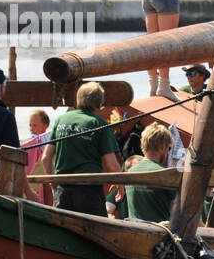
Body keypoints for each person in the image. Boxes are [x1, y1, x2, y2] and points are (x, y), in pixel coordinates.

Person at [35, 81, 121, 216]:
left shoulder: (61, 120)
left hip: (63, 190)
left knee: (63, 232)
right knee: (95, 232)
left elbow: (46, 158)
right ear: (100, 102)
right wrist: (120, 185)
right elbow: (111, 164)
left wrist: (54, 184)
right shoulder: (100, 124)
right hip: (89, 192)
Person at [124, 124, 175, 224]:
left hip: (133, 232)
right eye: (169, 148)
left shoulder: (129, 172)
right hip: (158, 235)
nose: (168, 153)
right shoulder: (166, 174)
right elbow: (180, 211)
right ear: (163, 146)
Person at [24, 109, 53, 204]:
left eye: (34, 125)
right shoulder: (28, 145)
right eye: (30, 125)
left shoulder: (49, 144)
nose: (31, 129)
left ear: (45, 126)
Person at [107, 155, 143, 219]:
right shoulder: (121, 190)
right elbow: (106, 209)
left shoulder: (152, 188)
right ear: (126, 172)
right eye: (136, 170)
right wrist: (107, 215)